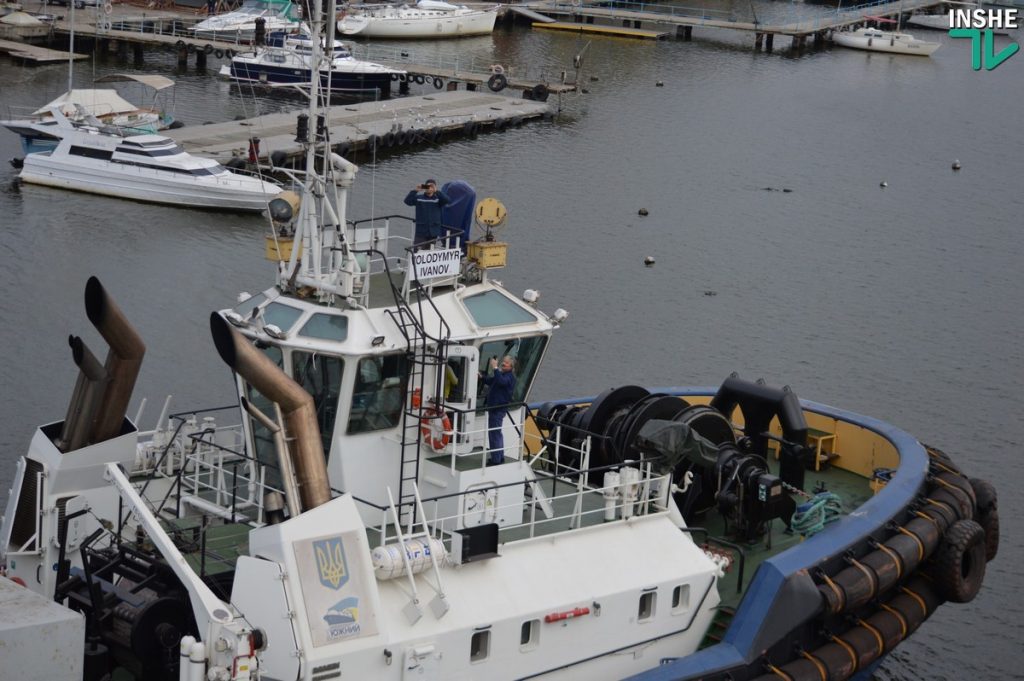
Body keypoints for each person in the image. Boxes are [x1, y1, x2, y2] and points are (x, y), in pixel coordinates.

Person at [480, 355, 516, 465]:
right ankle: (499, 457)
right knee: (497, 434)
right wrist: (481, 377)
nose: (503, 364)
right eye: (503, 362)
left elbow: (501, 382)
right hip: (494, 408)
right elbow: (492, 381)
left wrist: (495, 368)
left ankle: (496, 460)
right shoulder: (502, 375)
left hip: (498, 409)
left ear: (511, 366)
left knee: (494, 434)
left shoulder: (510, 377)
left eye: (506, 363)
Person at [403, 179, 451, 248]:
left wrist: (436, 191)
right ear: (424, 187)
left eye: (432, 186)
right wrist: (415, 190)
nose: (429, 188)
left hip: (433, 231)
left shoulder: (438, 199)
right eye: (427, 186)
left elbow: (447, 200)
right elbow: (407, 201)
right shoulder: (419, 198)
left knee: (429, 252)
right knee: (417, 251)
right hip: (421, 231)